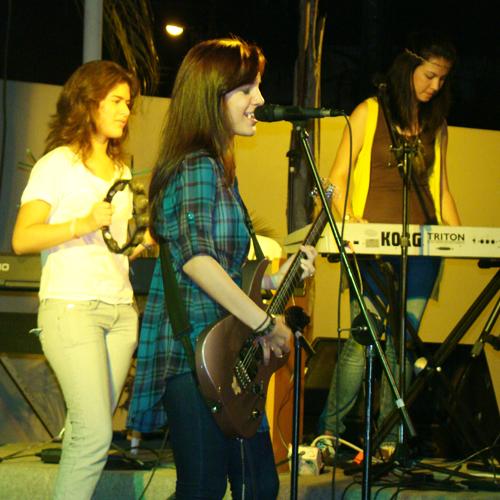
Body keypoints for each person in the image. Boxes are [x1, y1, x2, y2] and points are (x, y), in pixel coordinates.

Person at [126, 37, 317, 499]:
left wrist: (273, 278)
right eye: (247, 89)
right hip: (195, 354)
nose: (260, 100)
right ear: (213, 96)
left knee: (258, 485)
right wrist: (266, 324)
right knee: (204, 488)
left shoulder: (219, 170)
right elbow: (197, 262)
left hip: (227, 355)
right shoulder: (196, 167)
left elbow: (222, 266)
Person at [319, 32, 461, 456]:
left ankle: (386, 441)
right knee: (363, 340)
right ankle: (328, 434)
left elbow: (441, 190)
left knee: (403, 345)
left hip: (422, 249)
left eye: (442, 79)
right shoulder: (369, 111)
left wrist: (462, 237)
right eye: (430, 75)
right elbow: (335, 178)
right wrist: (348, 217)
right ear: (409, 67)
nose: (435, 86)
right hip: (372, 245)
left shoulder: (436, 126)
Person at [11, 60, 140, 499]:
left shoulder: (121, 170)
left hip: (120, 313)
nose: (126, 111)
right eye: (116, 101)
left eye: (128, 103)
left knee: (89, 433)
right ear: (89, 102)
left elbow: (110, 243)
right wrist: (80, 224)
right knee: (93, 434)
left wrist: (137, 244)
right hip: (72, 309)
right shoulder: (58, 164)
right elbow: (22, 238)